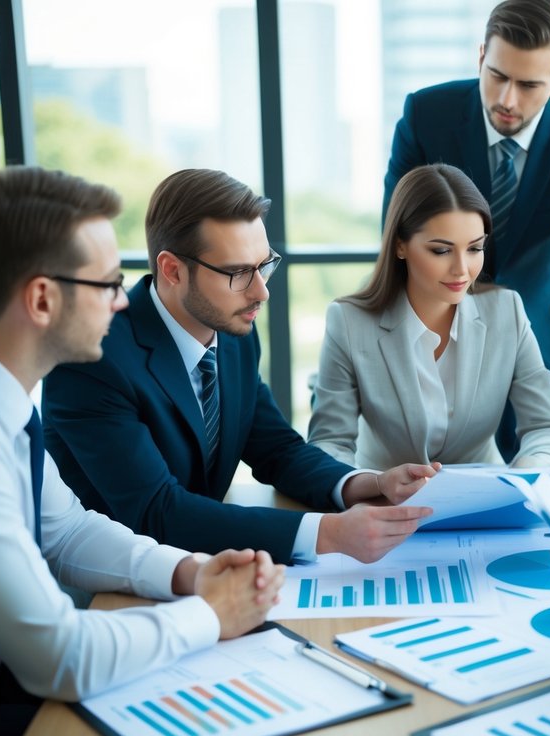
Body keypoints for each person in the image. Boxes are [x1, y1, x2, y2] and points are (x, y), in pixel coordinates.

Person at [0, 167, 284, 736]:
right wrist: (211, 614)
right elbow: (62, 657)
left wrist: (190, 573)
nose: (122, 301)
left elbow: (67, 529)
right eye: (108, 284)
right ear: (43, 300)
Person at [43, 169, 436, 566]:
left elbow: (277, 450)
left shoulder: (233, 334)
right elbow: (155, 511)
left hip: (204, 567)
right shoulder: (93, 358)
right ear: (172, 270)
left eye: (263, 265)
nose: (261, 290)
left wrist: (369, 483)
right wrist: (326, 533)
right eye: (238, 273)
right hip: (110, 584)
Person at [383, 0, 550, 464]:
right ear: (481, 57)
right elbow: (396, 239)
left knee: (545, 483)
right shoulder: (426, 114)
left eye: (529, 84)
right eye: (497, 75)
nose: (506, 100)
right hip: (439, 335)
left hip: (549, 339)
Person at [308, 164, 550, 471]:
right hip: (382, 504)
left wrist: (528, 471)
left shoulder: (506, 311)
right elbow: (329, 443)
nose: (462, 268)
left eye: (474, 248)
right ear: (400, 245)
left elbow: (547, 428)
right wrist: (364, 487)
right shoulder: (349, 322)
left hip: (484, 502)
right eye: (442, 251)